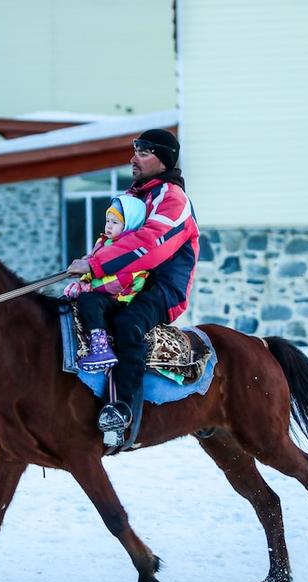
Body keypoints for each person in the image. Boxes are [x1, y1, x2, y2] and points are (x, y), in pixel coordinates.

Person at [67, 129, 200, 436]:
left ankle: (122, 408)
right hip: (124, 281)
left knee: (129, 324)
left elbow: (150, 245)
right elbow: (110, 238)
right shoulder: (134, 196)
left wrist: (95, 265)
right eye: (134, 151)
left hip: (161, 288)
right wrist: (88, 270)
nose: (133, 159)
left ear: (164, 161)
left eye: (143, 153)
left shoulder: (174, 200)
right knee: (79, 307)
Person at [64, 194, 149, 372]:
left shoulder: (132, 248)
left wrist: (89, 288)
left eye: (115, 222)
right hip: (104, 294)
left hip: (122, 298)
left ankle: (101, 347)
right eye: (107, 220)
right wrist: (81, 283)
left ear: (129, 224)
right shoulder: (104, 243)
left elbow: (120, 281)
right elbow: (92, 266)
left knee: (89, 301)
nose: (108, 225)